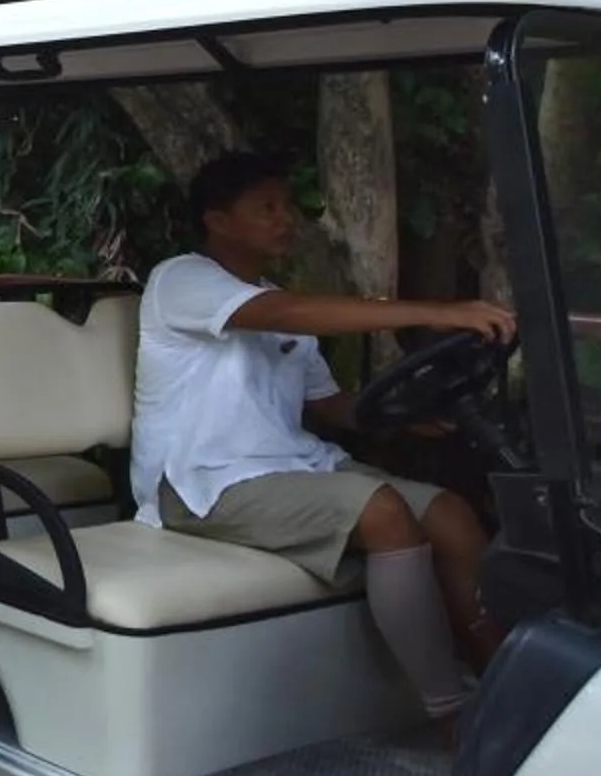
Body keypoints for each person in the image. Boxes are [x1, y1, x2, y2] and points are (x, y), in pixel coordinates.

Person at [131, 151, 517, 732]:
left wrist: (405, 415)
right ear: (218, 220)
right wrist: (434, 313)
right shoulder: (182, 280)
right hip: (200, 483)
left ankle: (508, 688)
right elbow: (284, 313)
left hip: (296, 467)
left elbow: (329, 405)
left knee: (451, 514)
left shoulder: (279, 303)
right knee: (384, 513)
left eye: (288, 207)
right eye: (267, 207)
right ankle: (450, 714)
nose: (286, 219)